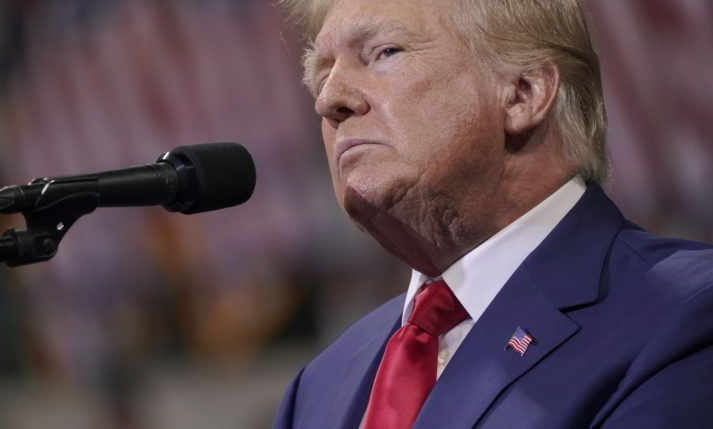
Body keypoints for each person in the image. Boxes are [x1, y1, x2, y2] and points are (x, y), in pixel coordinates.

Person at [272, 0, 713, 428]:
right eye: (322, 74)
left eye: (385, 53)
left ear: (523, 93)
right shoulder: (318, 388)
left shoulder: (684, 318)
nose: (329, 100)